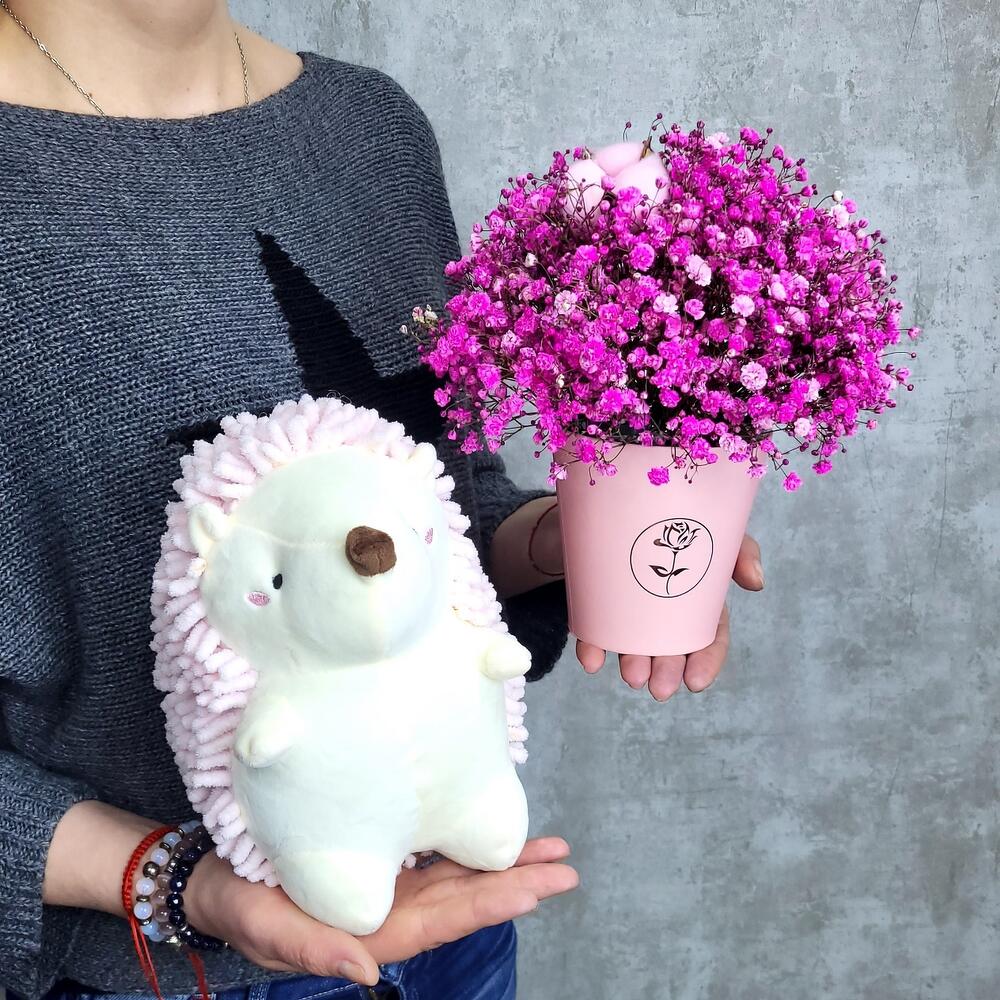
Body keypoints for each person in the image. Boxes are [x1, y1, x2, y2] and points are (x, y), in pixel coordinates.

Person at [0, 3, 763, 999]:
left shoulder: (369, 127)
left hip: (458, 930)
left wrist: (575, 541)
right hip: (159, 968)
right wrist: (180, 883)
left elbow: (446, 506)